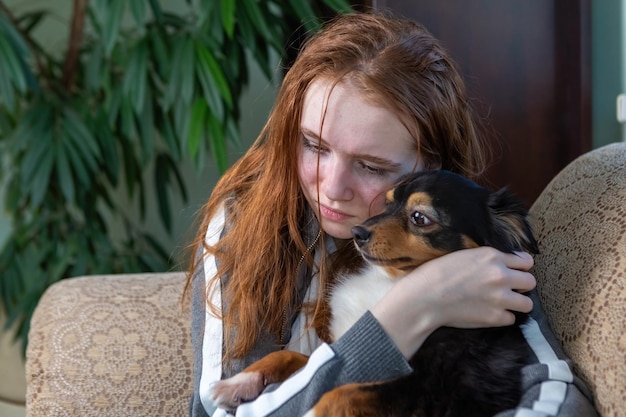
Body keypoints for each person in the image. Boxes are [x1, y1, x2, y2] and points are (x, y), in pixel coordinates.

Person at [186, 11, 598, 417]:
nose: (331, 187)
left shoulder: (470, 237)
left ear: (428, 167)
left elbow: (559, 395)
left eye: (371, 166)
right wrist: (411, 309)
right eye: (314, 145)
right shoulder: (244, 222)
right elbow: (221, 413)